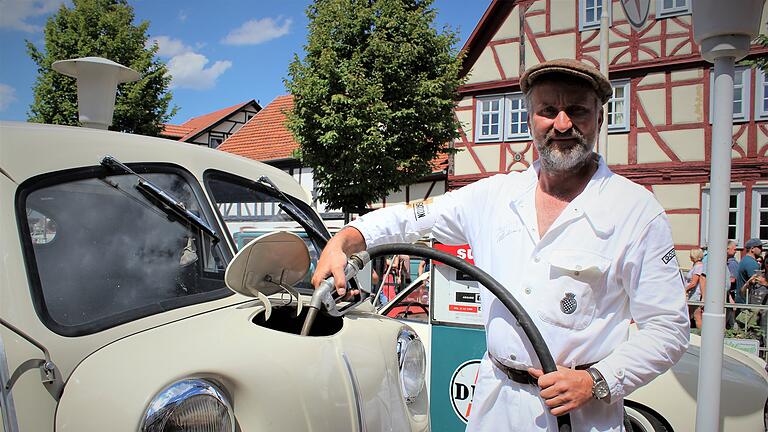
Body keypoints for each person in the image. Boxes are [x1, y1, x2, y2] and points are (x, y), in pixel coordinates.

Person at [312, 59, 689, 431]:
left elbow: (668, 329)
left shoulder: (636, 212)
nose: (562, 124)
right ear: (530, 120)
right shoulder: (494, 196)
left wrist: (597, 381)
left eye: (577, 110)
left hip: (581, 416)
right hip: (494, 403)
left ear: (599, 120)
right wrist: (345, 240)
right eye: (548, 110)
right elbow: (411, 218)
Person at [736, 238, 764, 304]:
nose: (762, 249)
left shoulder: (745, 260)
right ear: (752, 249)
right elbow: (757, 285)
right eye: (759, 247)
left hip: (742, 300)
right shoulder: (751, 263)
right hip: (747, 302)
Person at [685, 248, 705, 328]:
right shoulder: (696, 266)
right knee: (690, 315)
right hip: (692, 294)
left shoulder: (698, 267)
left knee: (696, 315)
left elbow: (694, 282)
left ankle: (700, 334)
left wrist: (685, 289)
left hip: (695, 294)